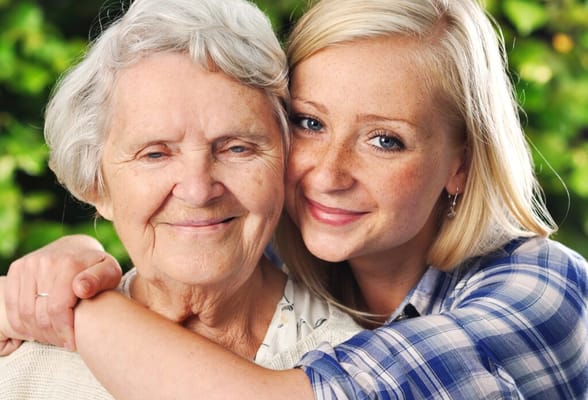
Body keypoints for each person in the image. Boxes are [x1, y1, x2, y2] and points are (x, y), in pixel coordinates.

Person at [3, 0, 587, 398]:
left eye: (385, 140)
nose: (327, 175)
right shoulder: (296, 246)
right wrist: (69, 264)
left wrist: (74, 308)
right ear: (94, 185)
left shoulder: (542, 287)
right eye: (310, 124)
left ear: (460, 165)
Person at [0, 0, 363, 398]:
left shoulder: (351, 369)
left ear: (286, 165)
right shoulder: (21, 358)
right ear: (97, 186)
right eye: (155, 154)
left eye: (237, 148)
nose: (198, 189)